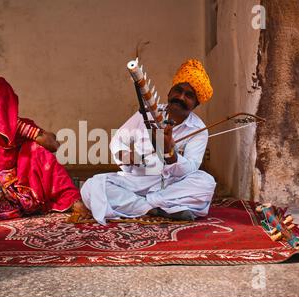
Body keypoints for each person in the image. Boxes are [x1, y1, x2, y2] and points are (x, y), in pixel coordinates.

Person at [81, 59, 216, 225]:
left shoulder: (199, 129)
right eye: (178, 90)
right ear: (169, 92)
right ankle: (159, 208)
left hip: (172, 185)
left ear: (196, 104)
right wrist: (125, 154)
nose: (181, 97)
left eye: (189, 96)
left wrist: (170, 154)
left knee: (206, 183)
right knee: (90, 186)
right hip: (137, 181)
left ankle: (141, 205)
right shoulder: (146, 113)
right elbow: (118, 140)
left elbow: (191, 168)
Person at [0, 77, 89, 220]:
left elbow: (53, 145)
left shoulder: (22, 127)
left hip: (20, 190)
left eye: (4, 105)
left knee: (34, 148)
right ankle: (22, 208)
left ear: (12, 105)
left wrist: (21, 128)